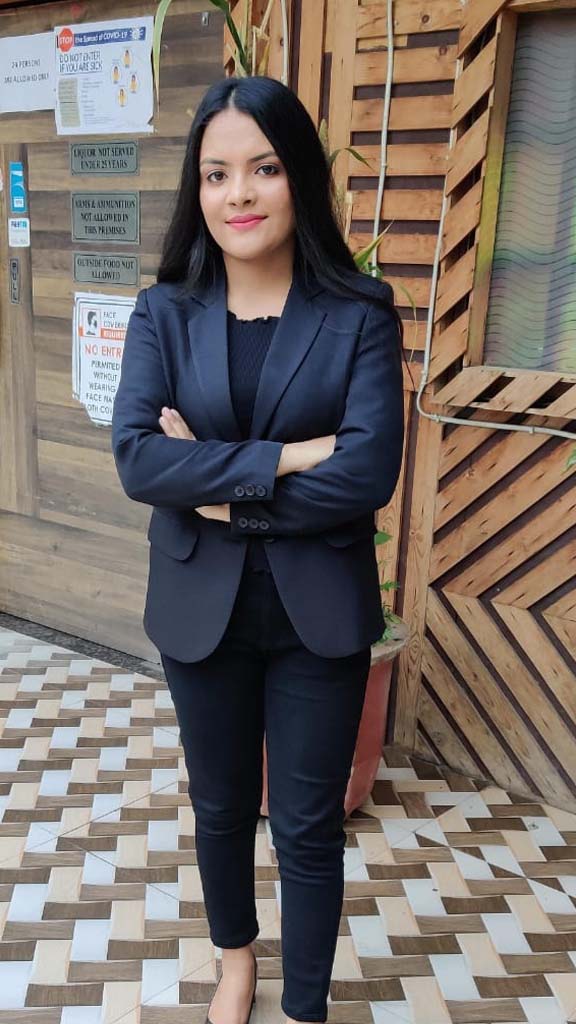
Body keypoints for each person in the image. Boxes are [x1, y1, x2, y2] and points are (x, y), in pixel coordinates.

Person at [111, 75, 404, 1024]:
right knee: (223, 807)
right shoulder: (165, 313)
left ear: (298, 176)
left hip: (320, 614)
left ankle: (305, 1004)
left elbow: (365, 474)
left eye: (263, 168)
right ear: (197, 189)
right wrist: (287, 457)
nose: (238, 193)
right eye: (216, 173)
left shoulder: (360, 311)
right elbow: (141, 460)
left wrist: (222, 496)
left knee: (310, 828)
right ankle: (235, 965)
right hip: (201, 610)